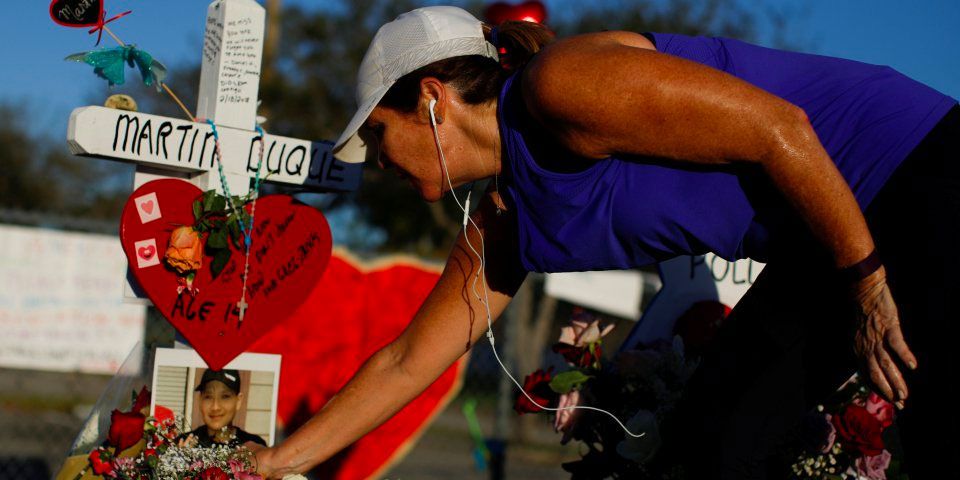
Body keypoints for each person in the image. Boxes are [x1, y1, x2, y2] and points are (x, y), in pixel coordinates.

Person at [253, 6, 958, 479]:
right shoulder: (503, 222)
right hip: (825, 238)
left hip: (914, 168)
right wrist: (269, 464)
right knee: (712, 442)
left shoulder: (561, 85)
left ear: (432, 98)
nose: (378, 160)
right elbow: (406, 363)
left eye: (378, 133)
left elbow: (784, 131)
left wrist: (869, 284)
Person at [179, 369, 267, 448]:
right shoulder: (182, 443)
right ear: (200, 400)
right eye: (208, 397)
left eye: (225, 397)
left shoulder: (254, 445)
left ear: (238, 401)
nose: (215, 407)